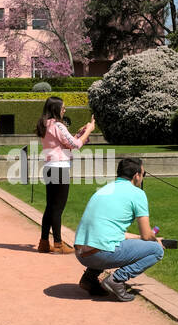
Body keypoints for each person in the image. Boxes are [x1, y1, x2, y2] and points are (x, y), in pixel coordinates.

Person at [73, 157, 164, 301]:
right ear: (136, 176)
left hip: (81, 253)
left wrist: (142, 239)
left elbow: (116, 233)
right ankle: (116, 280)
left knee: (106, 242)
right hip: (100, 254)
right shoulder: (138, 193)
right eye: (143, 174)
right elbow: (147, 235)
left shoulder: (104, 189)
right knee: (156, 251)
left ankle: (89, 279)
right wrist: (155, 241)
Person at [36, 96, 95, 254]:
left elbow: (67, 143)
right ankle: (57, 243)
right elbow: (74, 145)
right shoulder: (58, 125)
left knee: (50, 207)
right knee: (57, 208)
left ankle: (43, 242)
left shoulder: (45, 124)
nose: (64, 110)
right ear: (56, 110)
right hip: (59, 168)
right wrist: (89, 130)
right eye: (63, 108)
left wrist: (82, 133)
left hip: (49, 167)